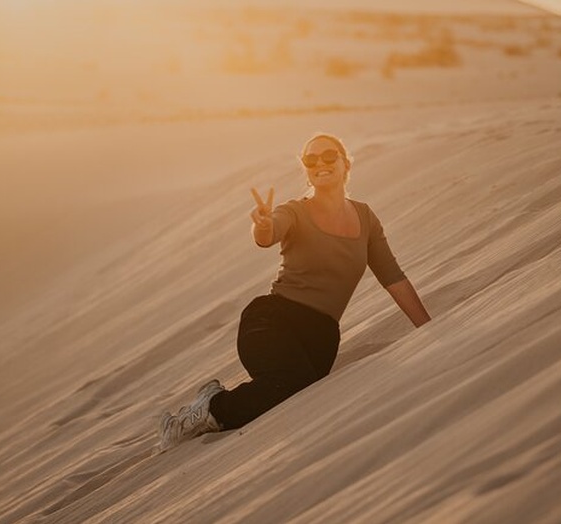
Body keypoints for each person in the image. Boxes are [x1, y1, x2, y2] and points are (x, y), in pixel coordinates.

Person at [157, 133, 430, 452]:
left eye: (329, 156)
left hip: (322, 336)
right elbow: (269, 232)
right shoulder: (295, 212)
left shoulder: (365, 218)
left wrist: (429, 328)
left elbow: (393, 277)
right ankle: (202, 413)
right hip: (273, 321)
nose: (320, 164)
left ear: (345, 163)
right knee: (288, 384)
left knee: (295, 391)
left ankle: (211, 404)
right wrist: (261, 224)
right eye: (310, 160)